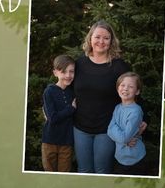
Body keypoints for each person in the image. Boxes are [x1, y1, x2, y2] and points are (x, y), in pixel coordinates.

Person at [72, 21, 137, 174]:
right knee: (84, 170)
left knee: (102, 171)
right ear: (90, 39)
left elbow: (132, 94)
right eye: (97, 37)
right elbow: (66, 88)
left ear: (111, 41)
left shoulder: (119, 66)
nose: (101, 41)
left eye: (106, 38)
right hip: (80, 128)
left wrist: (141, 121)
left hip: (108, 129)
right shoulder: (79, 64)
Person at [41, 54, 76, 172]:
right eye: (63, 71)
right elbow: (53, 118)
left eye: (71, 71)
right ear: (55, 72)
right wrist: (70, 109)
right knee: (49, 174)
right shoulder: (49, 92)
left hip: (67, 142)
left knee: (64, 175)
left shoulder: (72, 93)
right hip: (49, 141)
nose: (68, 75)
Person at [107, 72, 146, 175]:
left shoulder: (135, 112)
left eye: (131, 86)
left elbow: (123, 136)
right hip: (120, 156)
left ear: (137, 91)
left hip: (134, 157)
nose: (125, 88)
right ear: (117, 88)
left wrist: (123, 138)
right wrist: (124, 141)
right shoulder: (118, 107)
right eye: (122, 85)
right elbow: (109, 130)